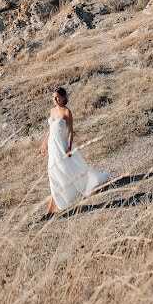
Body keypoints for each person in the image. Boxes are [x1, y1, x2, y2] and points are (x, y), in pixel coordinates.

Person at [40, 87, 109, 218]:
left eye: (57, 97)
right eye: (53, 97)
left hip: (62, 145)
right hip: (52, 147)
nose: (55, 99)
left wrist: (70, 147)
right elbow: (50, 129)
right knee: (54, 172)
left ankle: (51, 209)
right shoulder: (52, 111)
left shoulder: (67, 112)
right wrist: (44, 143)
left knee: (62, 170)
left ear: (64, 98)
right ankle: (58, 202)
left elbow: (71, 131)